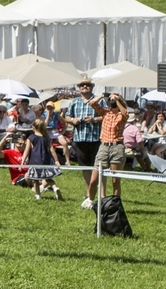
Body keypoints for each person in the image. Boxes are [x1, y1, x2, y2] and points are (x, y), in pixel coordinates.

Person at [62, 77, 102, 207]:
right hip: (79, 139)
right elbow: (67, 117)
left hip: (95, 138)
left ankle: (101, 195)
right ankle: (88, 194)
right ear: (79, 88)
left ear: (92, 87)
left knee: (97, 168)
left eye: (87, 85)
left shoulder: (98, 101)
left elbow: (107, 116)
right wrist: (72, 120)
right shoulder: (75, 102)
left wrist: (94, 119)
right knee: (85, 167)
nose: (85, 87)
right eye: (82, 85)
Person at [90, 91, 128, 199]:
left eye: (113, 101)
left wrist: (117, 99)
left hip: (117, 147)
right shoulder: (105, 113)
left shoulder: (121, 115)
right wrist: (103, 96)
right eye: (110, 101)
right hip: (104, 146)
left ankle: (115, 203)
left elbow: (125, 113)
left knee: (115, 180)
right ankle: (90, 200)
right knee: (94, 178)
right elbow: (92, 103)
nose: (111, 102)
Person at [22, 117, 63, 199]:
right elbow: (52, 150)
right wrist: (56, 160)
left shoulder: (31, 137)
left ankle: (38, 195)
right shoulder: (47, 138)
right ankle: (55, 188)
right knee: (48, 178)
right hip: (46, 161)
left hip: (35, 162)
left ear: (33, 127)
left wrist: (23, 160)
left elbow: (26, 150)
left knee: (35, 179)